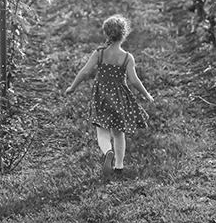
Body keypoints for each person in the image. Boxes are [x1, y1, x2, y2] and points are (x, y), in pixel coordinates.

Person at [65, 14, 154, 178]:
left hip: (101, 97)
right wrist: (146, 94)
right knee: (119, 134)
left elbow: (85, 72)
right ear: (124, 34)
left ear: (106, 34)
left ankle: (107, 152)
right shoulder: (127, 57)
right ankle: (119, 166)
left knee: (102, 131)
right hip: (119, 98)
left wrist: (72, 87)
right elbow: (134, 80)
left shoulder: (99, 53)